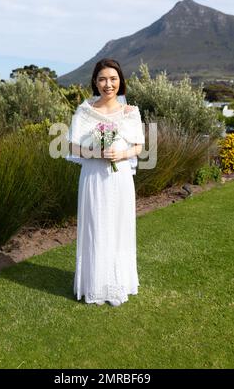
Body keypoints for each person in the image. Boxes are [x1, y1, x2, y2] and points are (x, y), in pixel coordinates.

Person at [65, 58, 145, 307]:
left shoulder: (130, 112)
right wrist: (98, 154)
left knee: (119, 225)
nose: (107, 84)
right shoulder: (84, 111)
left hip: (119, 177)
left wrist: (120, 154)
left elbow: (139, 147)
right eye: (102, 79)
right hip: (93, 178)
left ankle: (119, 282)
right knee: (96, 225)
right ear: (95, 82)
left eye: (113, 78)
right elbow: (72, 146)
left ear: (120, 81)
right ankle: (95, 285)